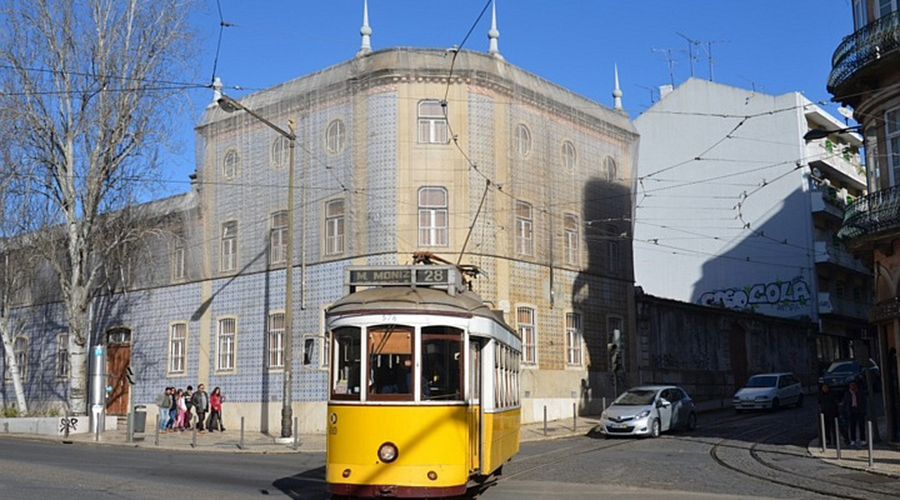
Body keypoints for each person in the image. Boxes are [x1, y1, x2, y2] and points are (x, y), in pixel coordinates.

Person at [842, 381, 868, 448]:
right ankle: (853, 439)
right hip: (851, 411)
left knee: (861, 426)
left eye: (854, 385)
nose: (853, 387)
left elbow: (864, 402)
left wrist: (863, 410)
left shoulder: (860, 393)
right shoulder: (847, 394)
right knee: (852, 426)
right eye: (851, 386)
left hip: (859, 411)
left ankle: (863, 439)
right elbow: (845, 403)